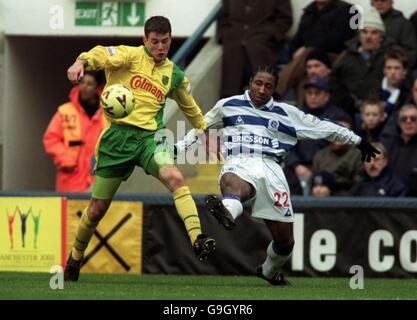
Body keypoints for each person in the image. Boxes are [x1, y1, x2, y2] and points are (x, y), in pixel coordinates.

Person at [176, 66, 379, 285]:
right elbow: (200, 126)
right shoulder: (227, 105)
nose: (262, 90)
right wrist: (178, 149)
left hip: (272, 170)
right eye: (258, 83)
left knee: (285, 242)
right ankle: (227, 210)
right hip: (239, 160)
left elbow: (323, 127)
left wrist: (358, 141)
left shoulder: (287, 114)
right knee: (234, 185)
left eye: (268, 86)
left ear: (274, 88)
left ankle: (268, 271)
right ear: (250, 81)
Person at [64, 16, 216, 281]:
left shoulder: (174, 74)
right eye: (155, 42)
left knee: (175, 177)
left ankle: (197, 237)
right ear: (145, 40)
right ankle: (75, 258)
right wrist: (81, 61)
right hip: (116, 140)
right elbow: (101, 54)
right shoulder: (129, 56)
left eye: (165, 42)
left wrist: (204, 129)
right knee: (97, 210)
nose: (160, 47)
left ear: (170, 40)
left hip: (150, 139)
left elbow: (188, 105)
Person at [43, 71, 107, 192]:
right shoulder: (65, 111)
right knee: (68, 210)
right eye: (82, 82)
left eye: (89, 83)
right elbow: (50, 139)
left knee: (95, 210)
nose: (84, 86)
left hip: (98, 178)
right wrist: (66, 160)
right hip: (71, 177)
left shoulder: (107, 114)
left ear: (97, 88)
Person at [217, 0, 293, 97]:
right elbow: (222, 16)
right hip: (234, 50)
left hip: (261, 49)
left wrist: (269, 36)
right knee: (231, 94)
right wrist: (225, 36)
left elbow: (285, 19)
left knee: (262, 93)